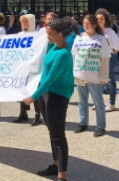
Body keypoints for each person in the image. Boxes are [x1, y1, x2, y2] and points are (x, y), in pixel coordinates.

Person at [23, 17, 75, 181]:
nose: (48, 36)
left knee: (58, 136)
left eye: (51, 34)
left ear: (60, 34)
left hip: (57, 97)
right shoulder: (53, 48)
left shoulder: (63, 55)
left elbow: (50, 79)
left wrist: (33, 96)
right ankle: (55, 166)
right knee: (52, 132)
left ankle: (62, 176)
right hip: (46, 95)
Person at [72, 14, 111, 137]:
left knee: (98, 103)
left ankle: (100, 126)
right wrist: (74, 72)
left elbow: (105, 59)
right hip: (80, 74)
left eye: (88, 23)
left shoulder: (101, 39)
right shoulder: (79, 38)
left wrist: (104, 77)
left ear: (94, 24)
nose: (85, 26)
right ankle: (83, 123)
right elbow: (74, 55)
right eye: (84, 24)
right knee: (82, 101)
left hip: (94, 76)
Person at [14, 13, 42, 125]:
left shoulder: (37, 36)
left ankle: (38, 115)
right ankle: (23, 113)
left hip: (34, 69)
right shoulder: (20, 35)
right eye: (23, 21)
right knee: (23, 91)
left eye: (26, 21)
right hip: (23, 69)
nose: (24, 23)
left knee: (35, 92)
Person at [95, 8, 119, 112]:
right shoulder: (95, 31)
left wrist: (110, 51)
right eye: (97, 19)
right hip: (96, 59)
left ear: (105, 20)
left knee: (110, 81)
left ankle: (112, 103)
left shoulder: (110, 32)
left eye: (101, 19)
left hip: (108, 58)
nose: (99, 21)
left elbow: (118, 47)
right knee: (98, 81)